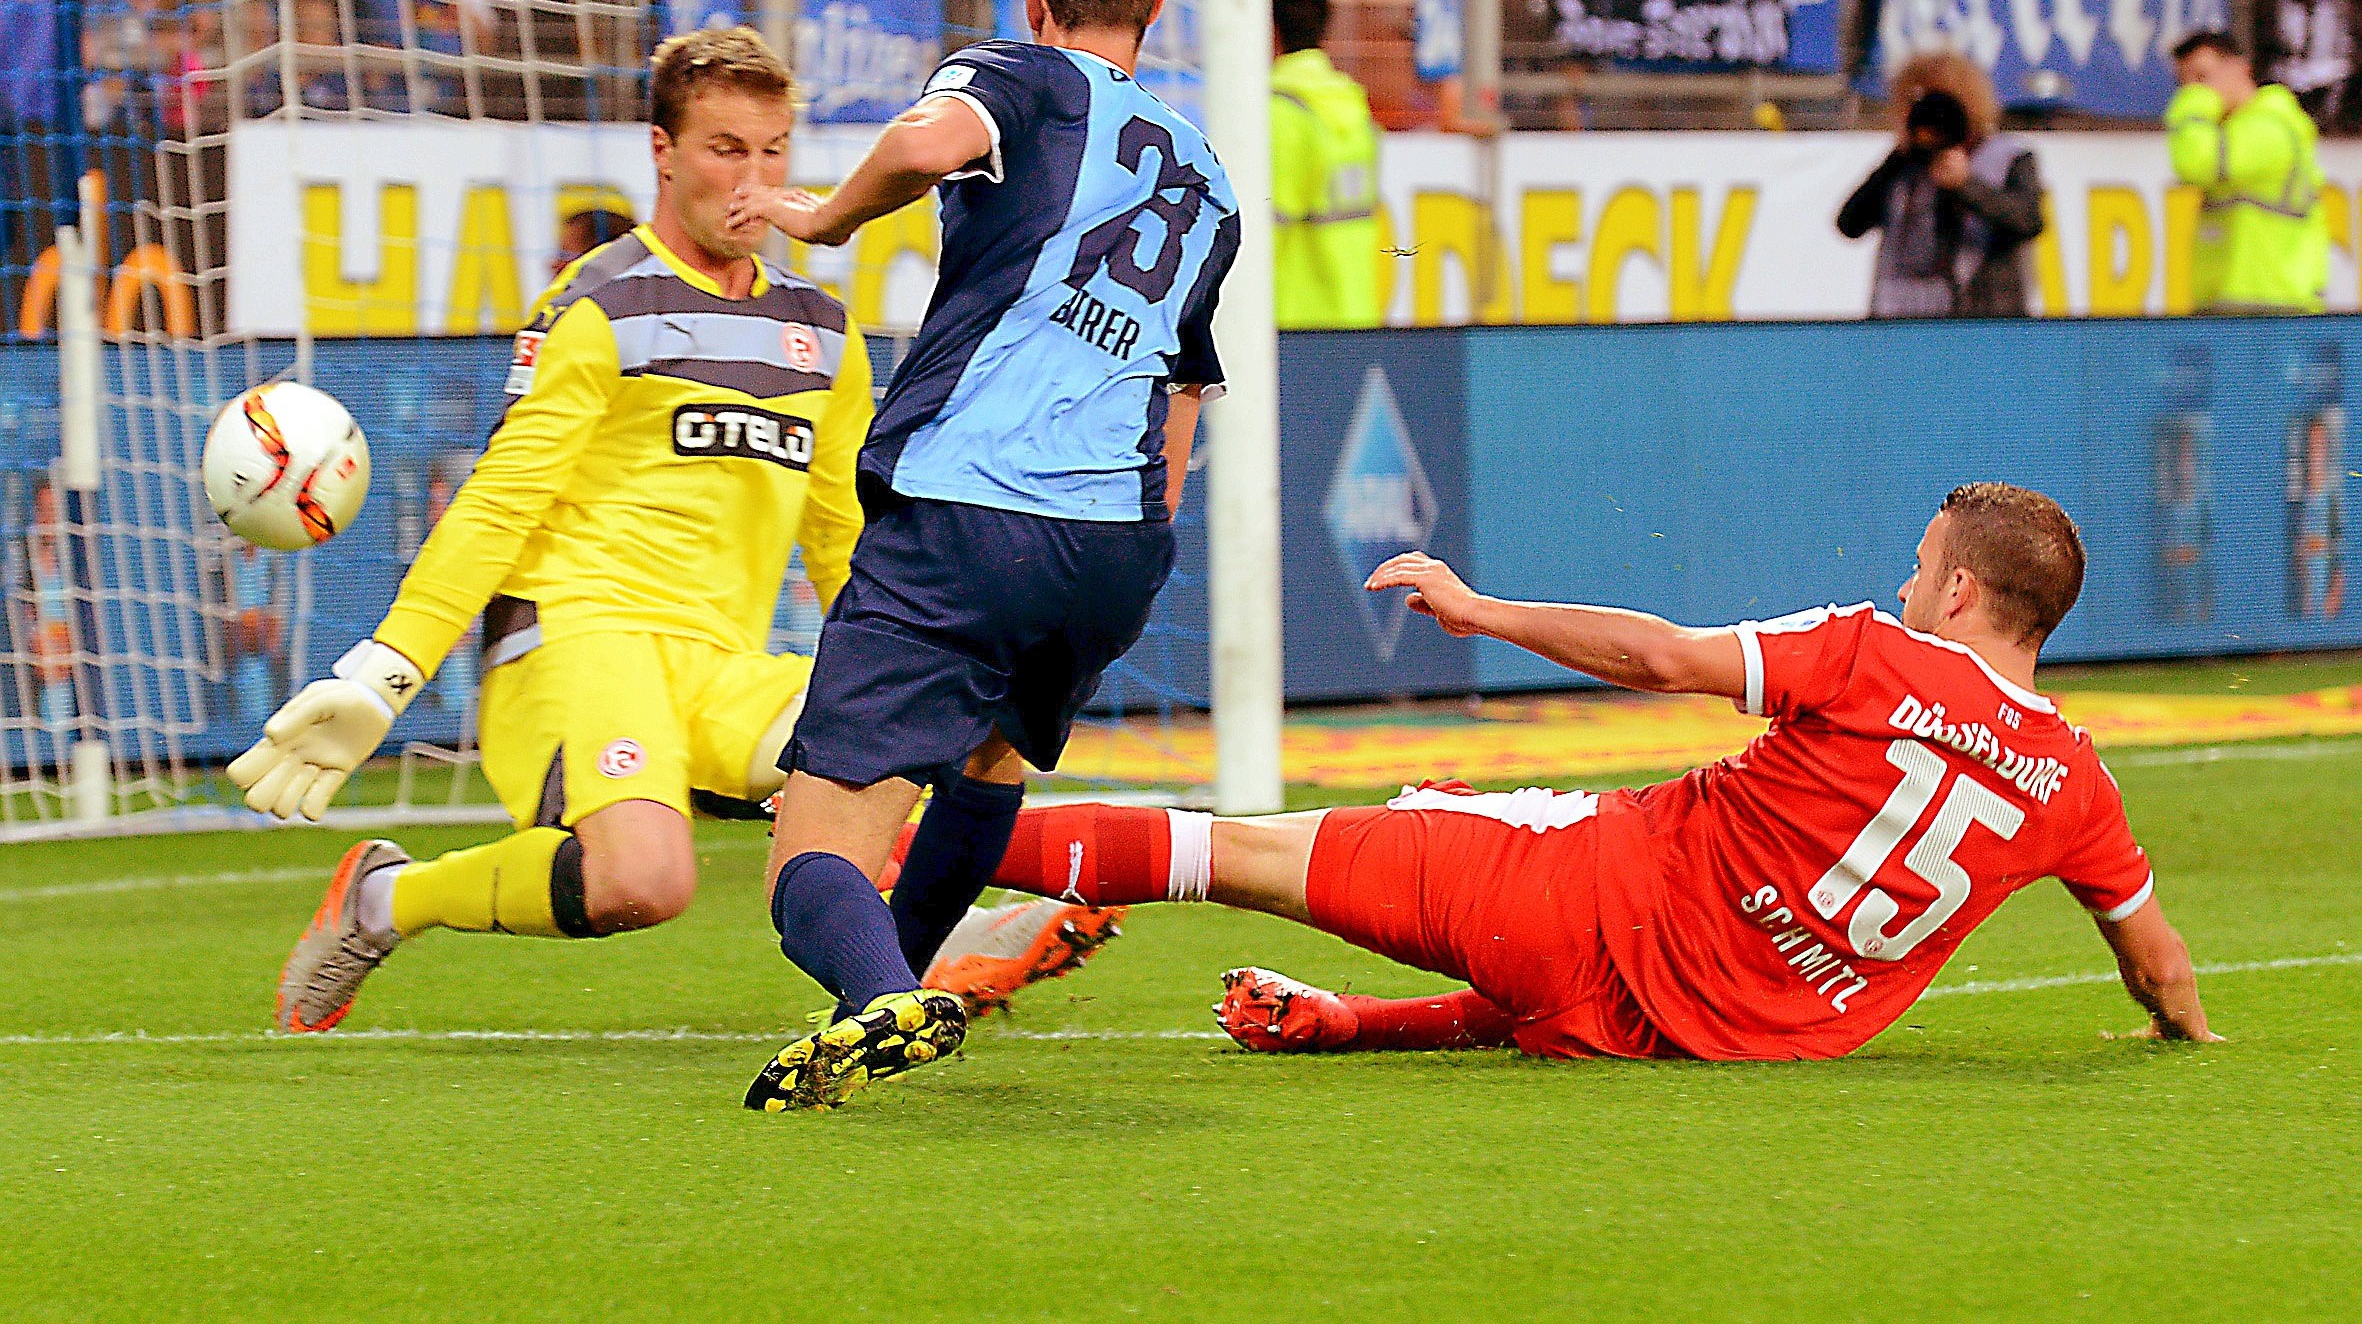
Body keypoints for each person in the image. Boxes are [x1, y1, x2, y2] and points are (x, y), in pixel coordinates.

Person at [944, 484, 2220, 1064]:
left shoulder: (1880, 654)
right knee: (1564, 975)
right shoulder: (2076, 785)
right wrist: (2186, 1038)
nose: (1900, 585)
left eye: (1915, 566)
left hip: (1575, 896)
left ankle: (893, 846)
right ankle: (1349, 1023)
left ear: (1957, 589)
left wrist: (1479, 611)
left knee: (1229, 854)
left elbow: (1658, 658)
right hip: (1704, 1032)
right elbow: (2157, 962)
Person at [233, 26, 873, 1033]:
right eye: (723, 148)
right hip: (578, 640)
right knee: (645, 882)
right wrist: (384, 671)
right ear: (662, 152)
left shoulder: (823, 335)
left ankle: (930, 962)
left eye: (773, 151)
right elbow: (500, 499)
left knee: (892, 749)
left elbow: (841, 539)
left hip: (721, 666)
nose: (752, 179)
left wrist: (895, 675)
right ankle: (384, 899)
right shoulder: (599, 305)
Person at [725, 0, 1238, 1111]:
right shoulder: (1206, 175)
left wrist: (826, 218)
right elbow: (1181, 397)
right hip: (1115, 548)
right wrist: (1143, 546)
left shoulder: (1021, 73)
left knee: (812, 846)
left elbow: (925, 140)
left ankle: (878, 993)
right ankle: (897, 994)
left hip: (966, 511)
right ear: (1157, 2)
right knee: (993, 760)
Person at [1838, 53, 2044, 317]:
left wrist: (1966, 185)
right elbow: (1850, 224)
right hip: (1903, 326)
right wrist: (1900, 156)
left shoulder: (2007, 156)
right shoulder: (1904, 165)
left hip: (1984, 321)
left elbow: (2029, 221)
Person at [2166, 31, 2331, 315]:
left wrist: (2191, 106)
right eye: (2184, 83)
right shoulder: (2230, 132)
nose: (2194, 91)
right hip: (2233, 310)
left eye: (2203, 77)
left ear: (2241, 68)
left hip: (2275, 309)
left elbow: (2197, 163)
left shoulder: (2272, 125)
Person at [1271, 0, 1383, 329]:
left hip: (1294, 318)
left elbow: (1267, 231)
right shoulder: (1350, 104)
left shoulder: (1282, 111)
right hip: (1355, 310)